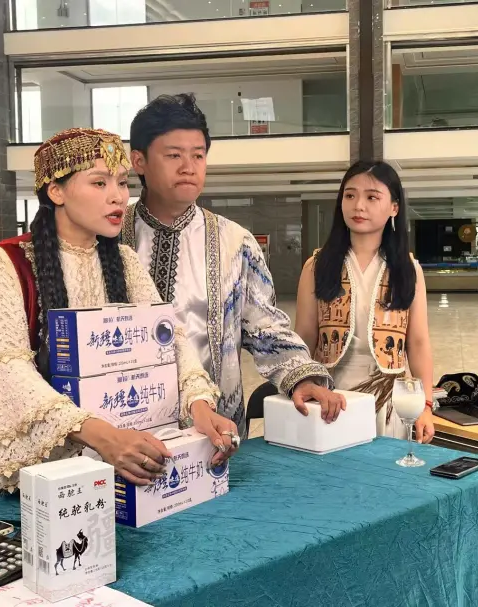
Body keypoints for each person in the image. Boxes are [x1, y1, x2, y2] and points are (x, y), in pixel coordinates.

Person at [0, 127, 238, 504]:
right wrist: (102, 436)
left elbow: (170, 341)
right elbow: (9, 371)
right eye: (99, 182)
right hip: (36, 474)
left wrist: (198, 404)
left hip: (119, 462)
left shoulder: (124, 261)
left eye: (122, 182)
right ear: (56, 192)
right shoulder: (2, 262)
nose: (118, 196)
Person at [121, 94, 345, 432]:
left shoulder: (235, 243)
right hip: (125, 432)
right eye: (174, 155)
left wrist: (301, 377)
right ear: (139, 161)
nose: (189, 167)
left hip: (214, 433)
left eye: (198, 155)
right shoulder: (109, 238)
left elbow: (265, 328)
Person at [294, 160, 436, 442]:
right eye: (350, 195)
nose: (358, 205)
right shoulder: (317, 266)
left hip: (387, 397)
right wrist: (301, 384)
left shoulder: (408, 269)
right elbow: (304, 337)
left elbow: (418, 343)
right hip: (331, 396)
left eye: (372, 197)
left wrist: (426, 405)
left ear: (394, 207)